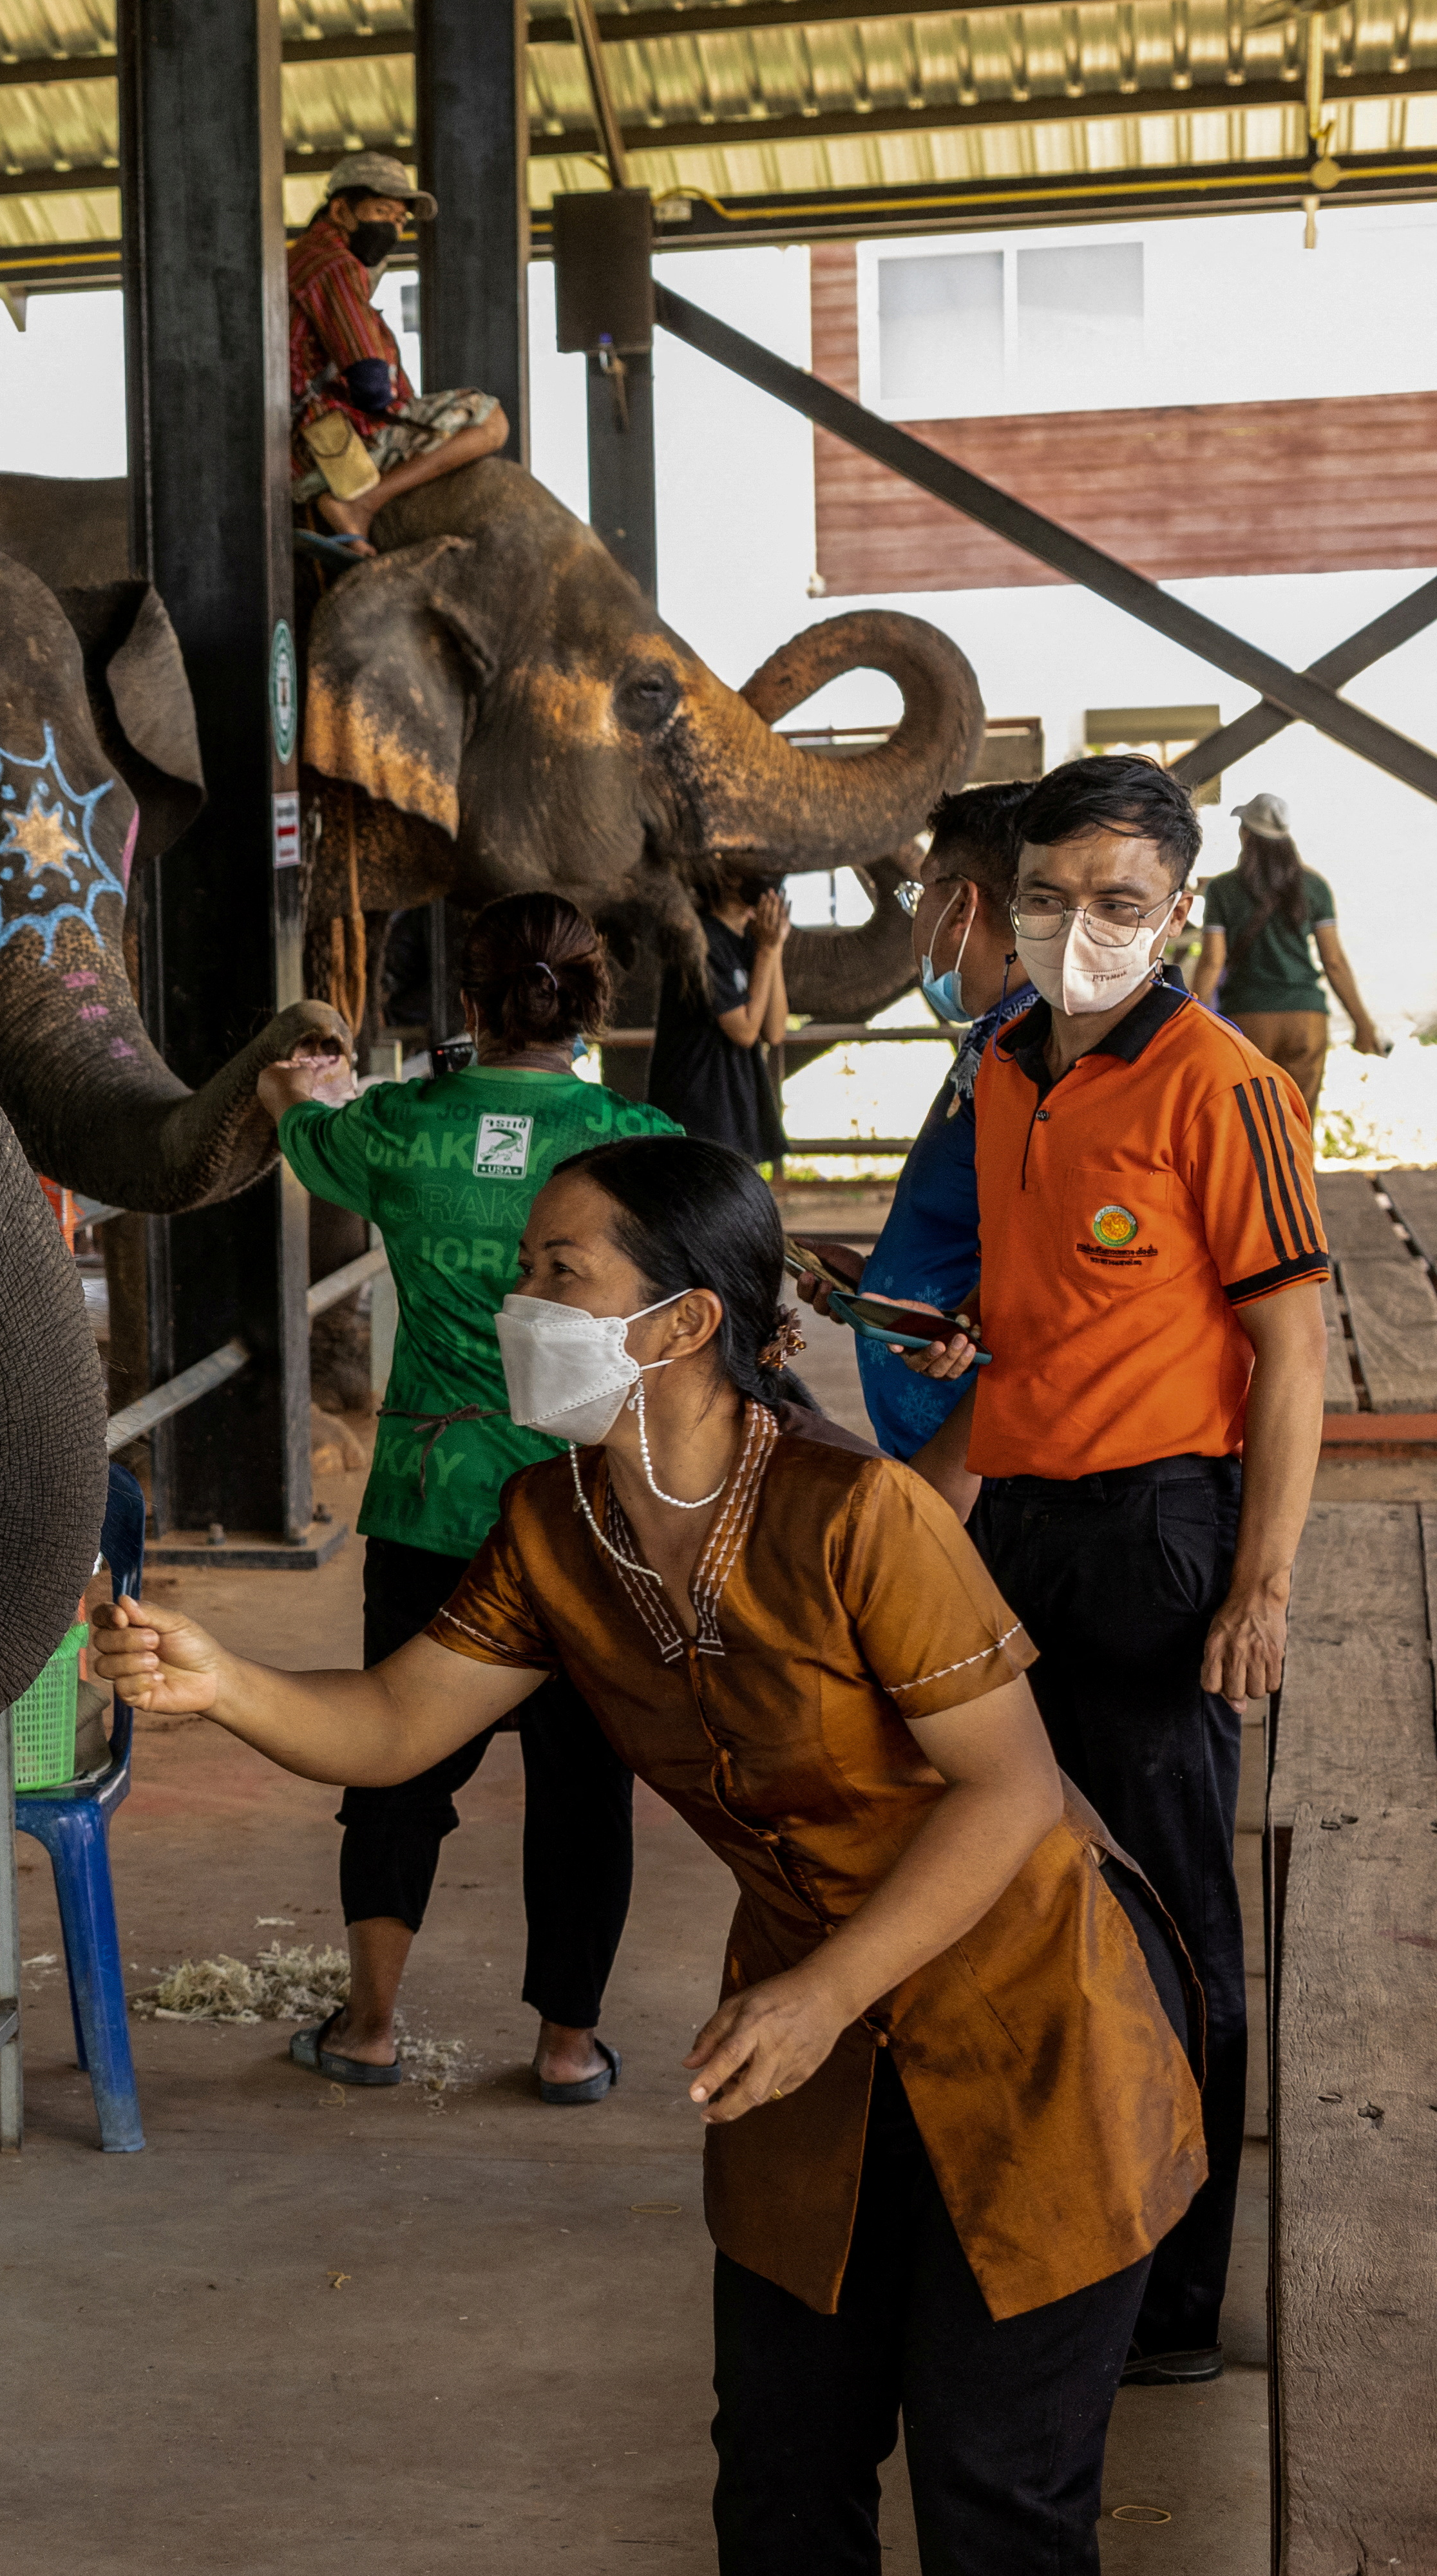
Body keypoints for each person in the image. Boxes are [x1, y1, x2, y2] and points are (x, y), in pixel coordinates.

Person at [91, 1136, 1203, 2575]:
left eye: (561, 1273)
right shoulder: (555, 1526)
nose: (520, 1302)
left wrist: (824, 1992)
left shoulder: (860, 1512)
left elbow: (1013, 1790)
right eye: (524, 1269)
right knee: (782, 2480)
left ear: (683, 1323)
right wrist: (224, 1681)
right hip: (804, 2037)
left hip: (1031, 2016)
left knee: (997, 2492)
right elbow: (395, 1723)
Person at [891, 753, 1328, 2391]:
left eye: (1118, 902)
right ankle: (1048, 2212)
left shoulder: (1222, 1085)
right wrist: (936, 1478)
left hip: (1157, 1535)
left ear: (1178, 911)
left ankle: (1172, 2298)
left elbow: (1291, 1353)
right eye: (1048, 897)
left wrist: (1259, 1587)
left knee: (1170, 1905)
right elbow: (1036, 1315)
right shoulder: (1005, 1066)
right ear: (1006, 902)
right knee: (1017, 1870)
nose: (1077, 928)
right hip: (1017, 1519)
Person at [270, 893, 678, 2099]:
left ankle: (369, 2029)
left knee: (393, 1763)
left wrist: (298, 1084)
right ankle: (567, 2048)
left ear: (470, 1001)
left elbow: (304, 1129)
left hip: (431, 1505)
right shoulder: (634, 1142)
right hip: (590, 1508)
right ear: (591, 1001)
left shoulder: (401, 1126)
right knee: (585, 1785)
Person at [785, 783, 1027, 1501]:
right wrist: (879, 1288)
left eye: (917, 897)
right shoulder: (994, 1039)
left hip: (975, 1479)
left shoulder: (1034, 1060)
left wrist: (941, 1499)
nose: (915, 920)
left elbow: (1042, 1286)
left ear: (961, 906)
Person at [287, 152, 509, 554]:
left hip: (305, 432)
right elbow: (370, 380)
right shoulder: (334, 264)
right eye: (381, 212)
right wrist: (400, 410)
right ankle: (360, 503)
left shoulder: (302, 259)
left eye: (400, 220)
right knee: (490, 420)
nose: (392, 228)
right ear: (341, 211)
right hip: (323, 439)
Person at [1195, 788, 1393, 1113]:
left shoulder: (1222, 890)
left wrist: (1194, 1022)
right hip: (1306, 1017)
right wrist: (1363, 1023)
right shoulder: (1314, 887)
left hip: (1246, 1016)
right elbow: (1334, 962)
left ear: (1246, 834)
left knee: (1250, 1122)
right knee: (1298, 1120)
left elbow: (1212, 962)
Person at [647, 867, 790, 1165]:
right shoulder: (701, 940)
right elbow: (745, 1031)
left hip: (736, 1113)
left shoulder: (751, 940)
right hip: (699, 1116)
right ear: (726, 878)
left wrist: (773, 948)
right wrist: (767, 950)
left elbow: (774, 1031)